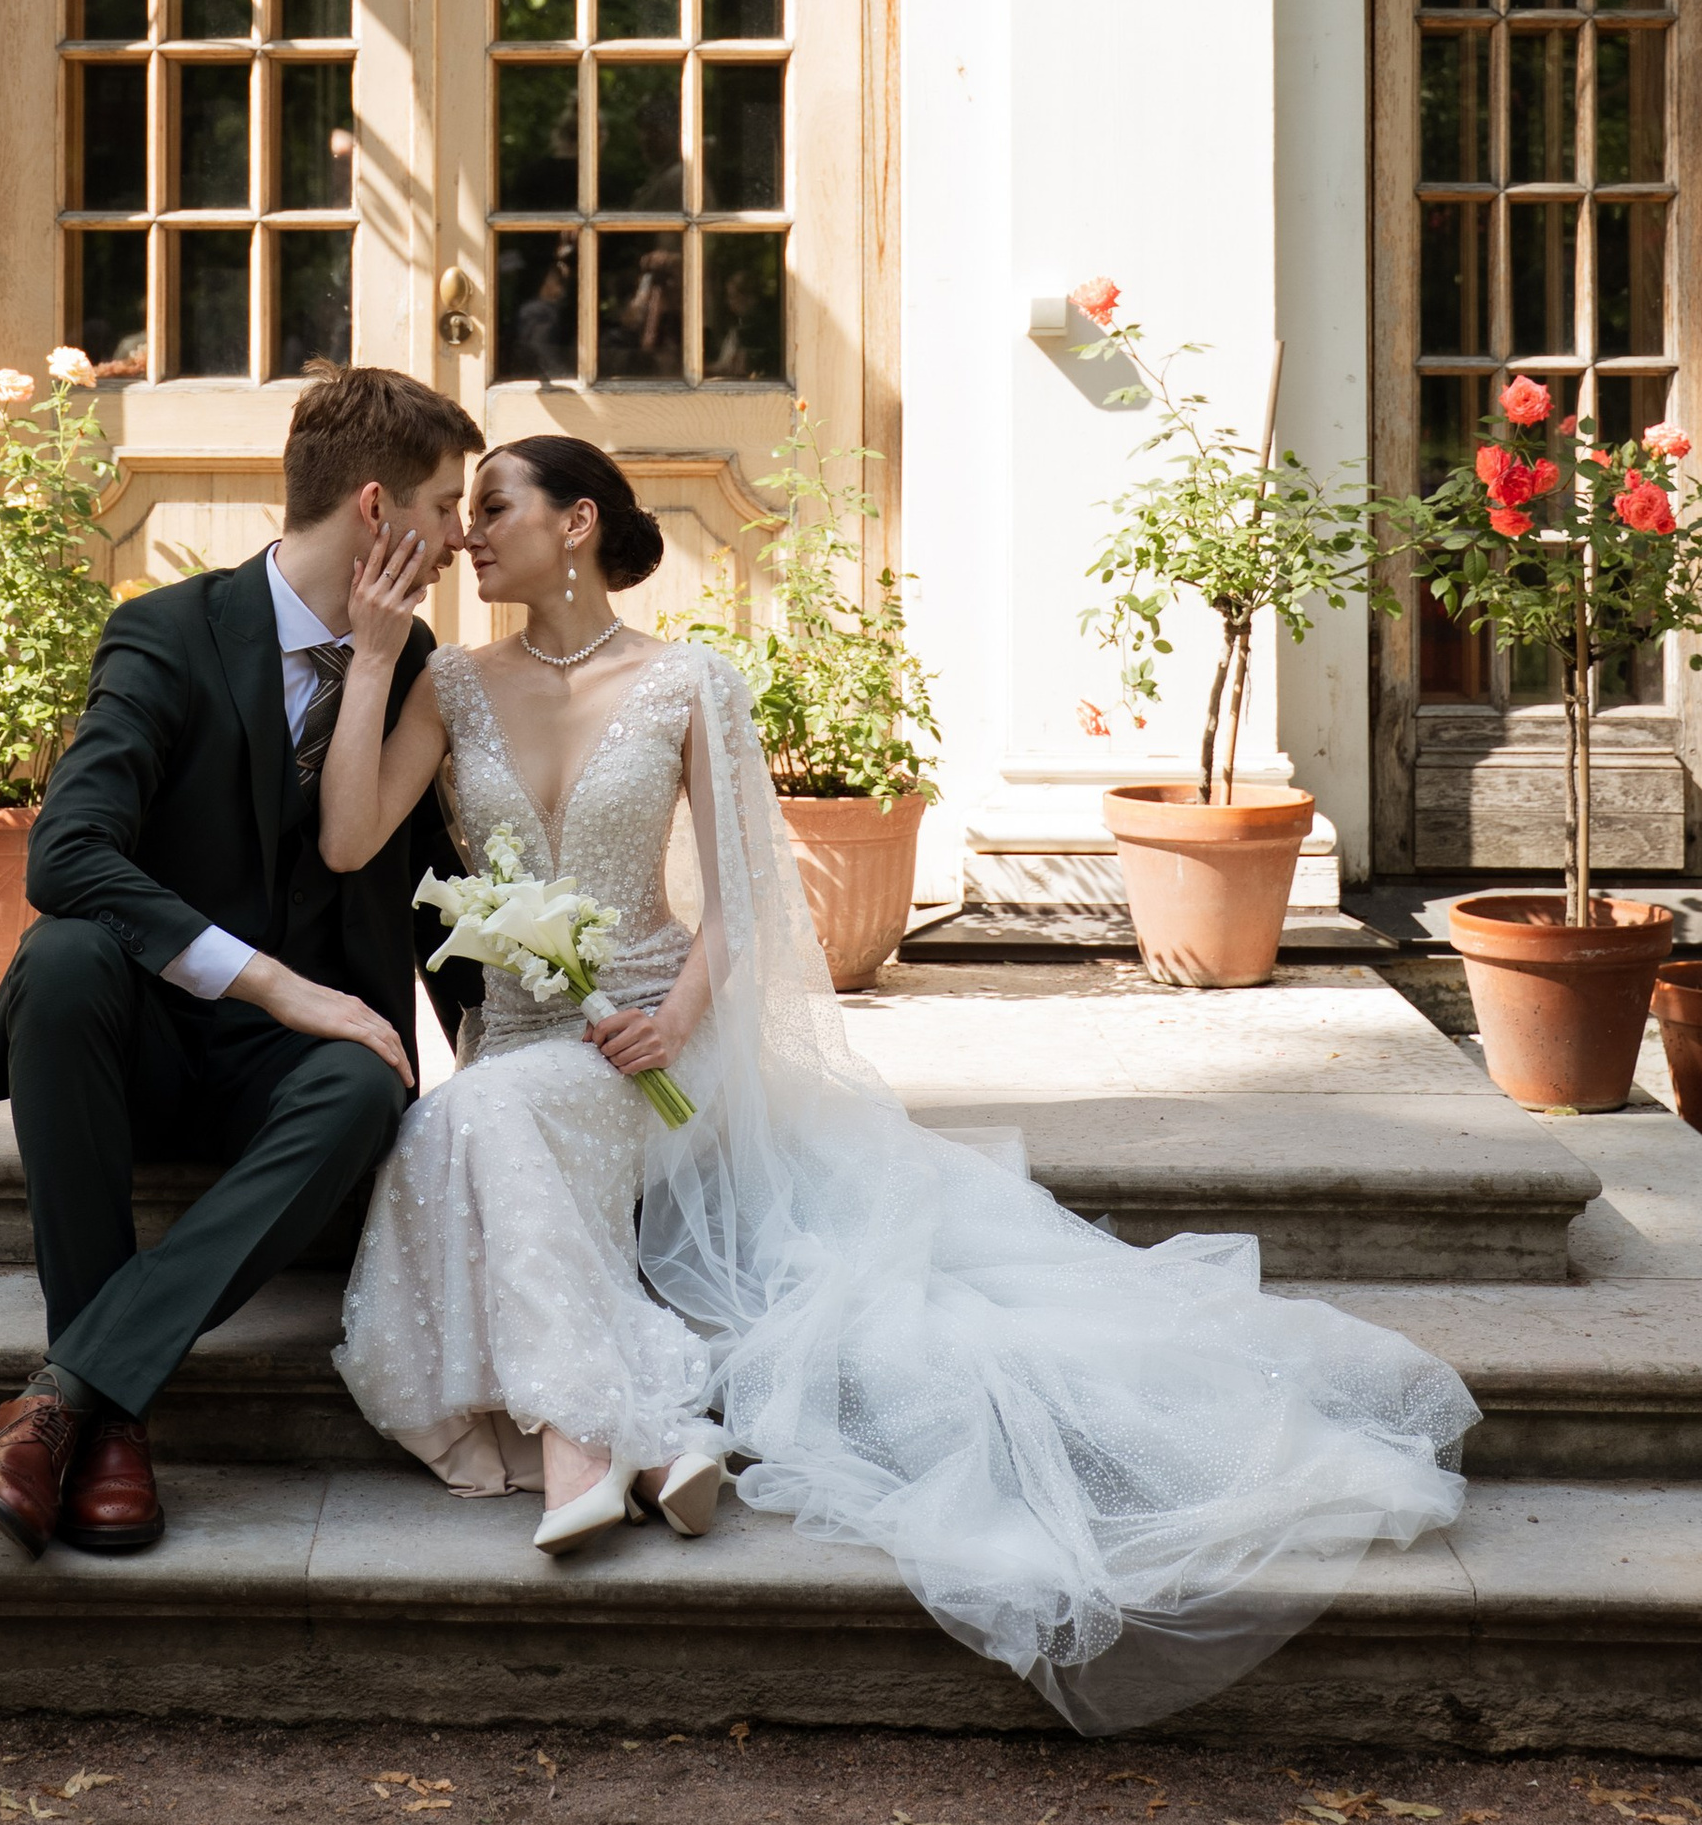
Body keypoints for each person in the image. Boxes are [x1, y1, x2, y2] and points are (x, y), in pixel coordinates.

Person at [319, 434, 1478, 1731]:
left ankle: (587, 1446)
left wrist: (674, 1016)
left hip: (659, 1038)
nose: (467, 531)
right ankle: (642, 1428)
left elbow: (744, 899)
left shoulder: (687, 679)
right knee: (469, 1112)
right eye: (465, 510)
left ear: (576, 521)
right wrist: (372, 655)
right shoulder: (449, 682)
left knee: (466, 1121)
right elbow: (351, 837)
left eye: (493, 506)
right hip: (528, 1039)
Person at [0, 366, 483, 1562]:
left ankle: (70, 1404)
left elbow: (437, 883)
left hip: (289, 1075)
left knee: (367, 1082)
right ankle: (107, 1408)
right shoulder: (169, 633)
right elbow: (66, 853)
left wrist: (516, 1061)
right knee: (66, 956)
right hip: (137, 1041)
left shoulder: (413, 659)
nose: (459, 537)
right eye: (446, 505)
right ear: (377, 509)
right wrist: (274, 980)